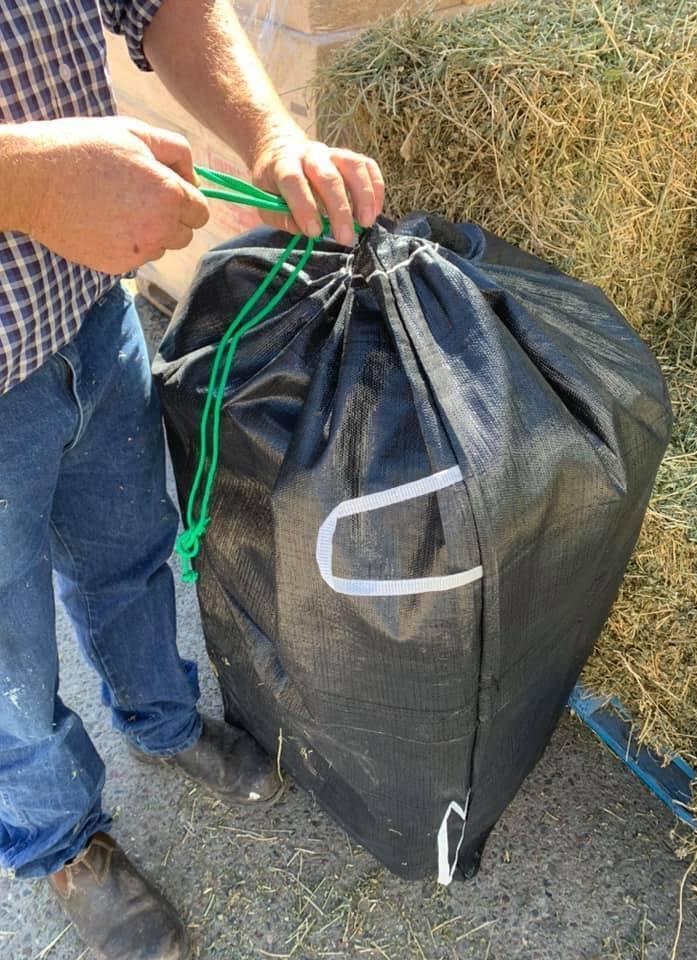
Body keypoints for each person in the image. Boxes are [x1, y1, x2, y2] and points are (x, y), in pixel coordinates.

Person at [0, 2, 385, 958]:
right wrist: (24, 182)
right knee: (7, 657)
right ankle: (60, 841)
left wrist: (271, 137)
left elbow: (160, 5)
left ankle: (159, 721)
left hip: (89, 312)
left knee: (131, 548)